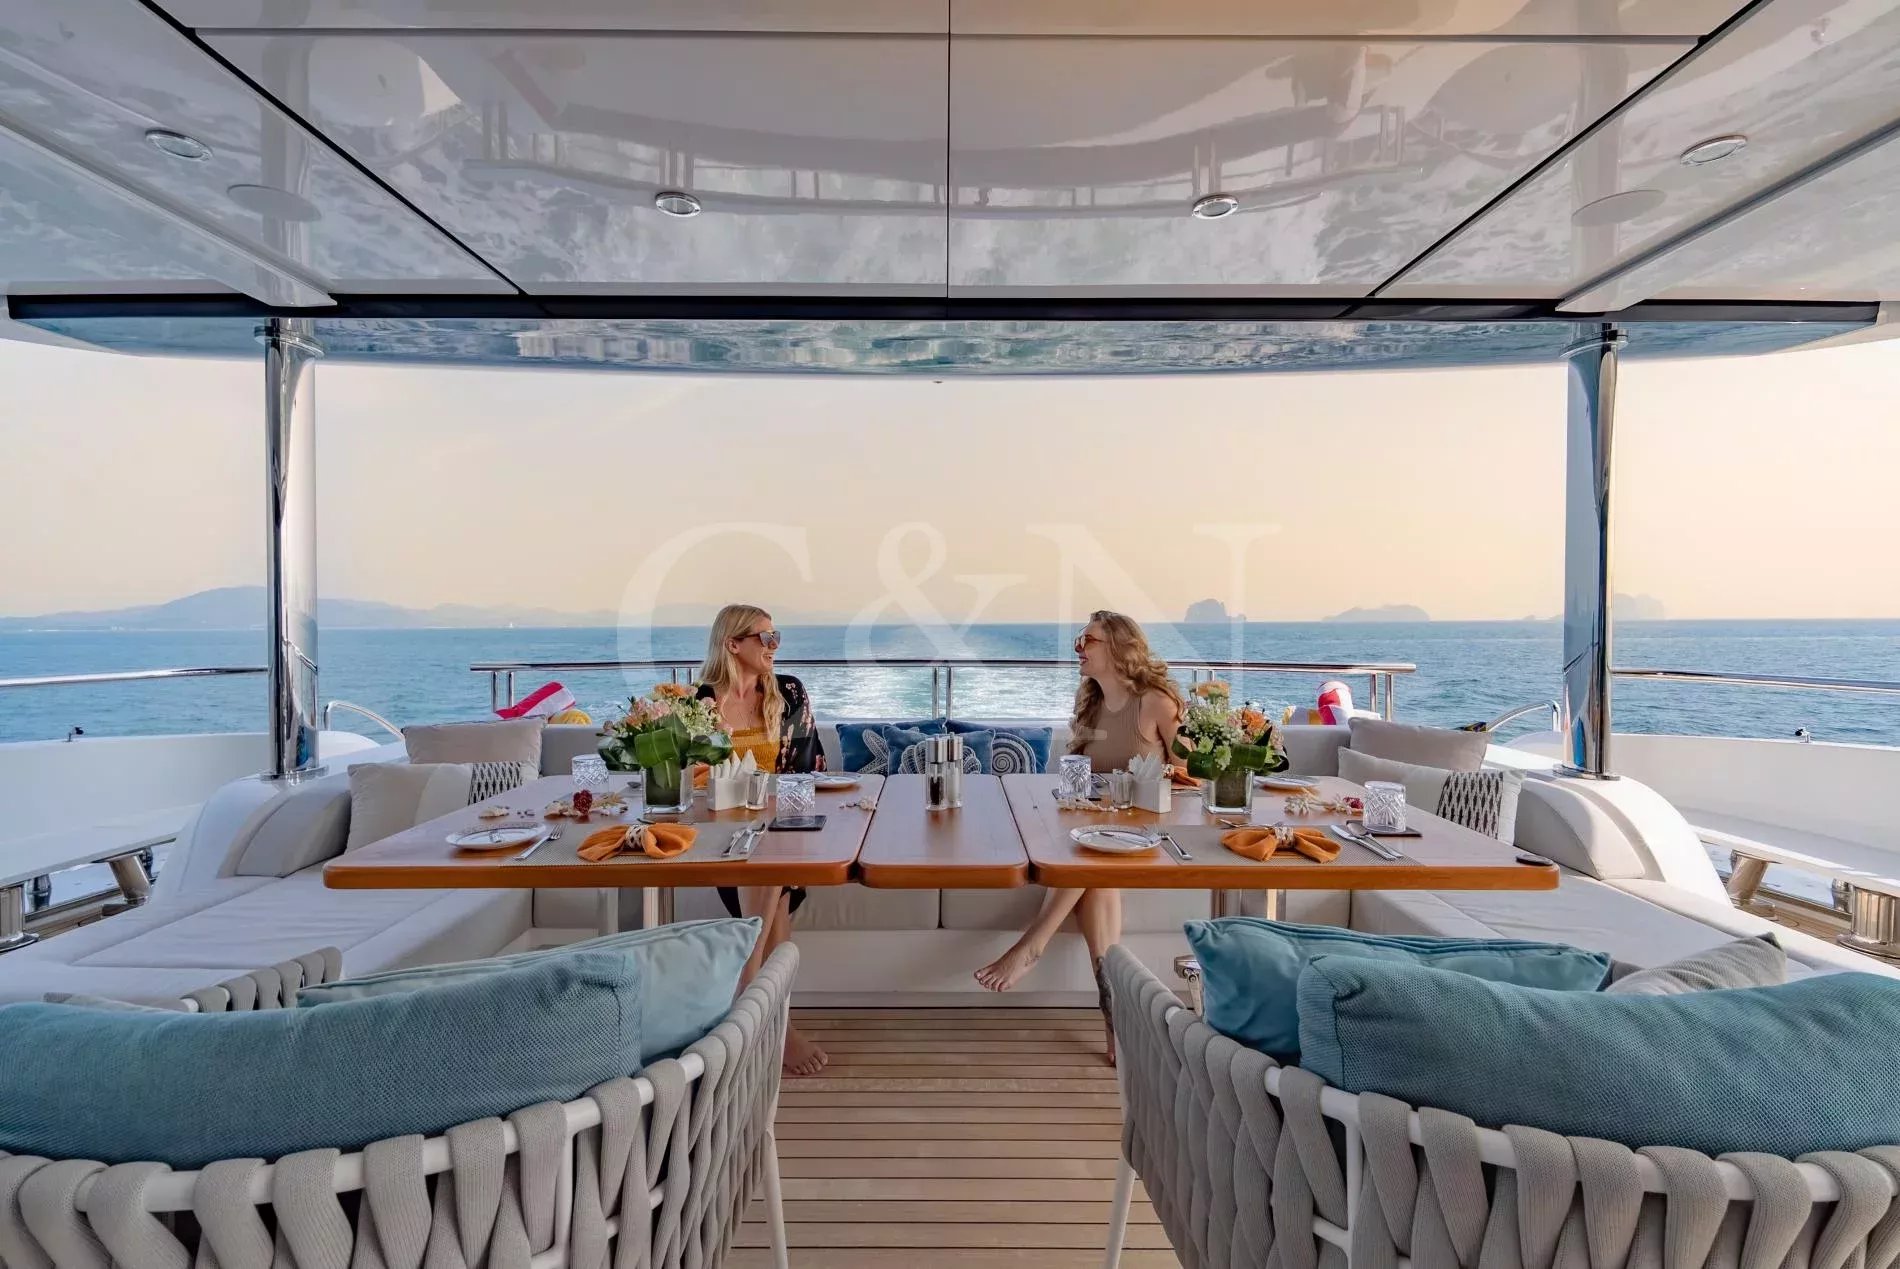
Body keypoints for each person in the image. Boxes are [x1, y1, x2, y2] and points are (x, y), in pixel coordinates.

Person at [974, 610, 1186, 1063]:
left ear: (1119, 648)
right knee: (1096, 876)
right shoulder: (1090, 702)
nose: (1078, 649)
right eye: (1078, 639)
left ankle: (1033, 944)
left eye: (1087, 640)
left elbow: (1193, 778)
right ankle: (1116, 1022)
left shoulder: (1156, 703)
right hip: (1100, 833)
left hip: (1149, 829)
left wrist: (1142, 789)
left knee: (1091, 857)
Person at [694, 603, 828, 1076]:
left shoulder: (788, 692)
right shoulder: (700, 704)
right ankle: (775, 1022)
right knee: (767, 871)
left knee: (770, 861)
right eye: (765, 638)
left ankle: (745, 999)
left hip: (783, 827)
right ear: (733, 644)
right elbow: (694, 779)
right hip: (722, 833)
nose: (775, 646)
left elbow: (810, 770)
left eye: (776, 637)